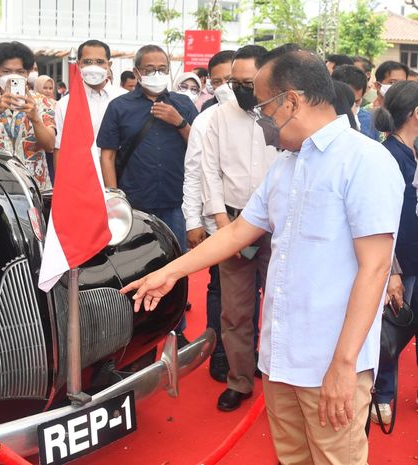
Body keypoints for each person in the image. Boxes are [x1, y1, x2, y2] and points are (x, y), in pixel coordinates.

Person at [123, 48, 403, 465]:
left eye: (263, 105)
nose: (260, 117)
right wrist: (170, 271)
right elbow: (239, 230)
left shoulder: (366, 162)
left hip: (330, 359)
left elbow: (375, 268)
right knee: (291, 458)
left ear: (291, 100)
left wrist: (344, 366)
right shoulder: (287, 165)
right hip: (280, 357)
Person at [97, 44, 198, 346]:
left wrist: (178, 121)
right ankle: (136, 329)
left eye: (162, 68)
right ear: (138, 71)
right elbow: (107, 155)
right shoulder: (120, 107)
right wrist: (115, 197)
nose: (157, 74)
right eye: (150, 69)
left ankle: (175, 329)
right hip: (134, 203)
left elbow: (201, 146)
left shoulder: (183, 103)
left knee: (176, 266)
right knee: (135, 265)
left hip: (175, 200)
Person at [200, 44, 278, 411]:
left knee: (281, 306)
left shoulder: (282, 113)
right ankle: (240, 380)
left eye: (247, 83)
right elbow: (209, 172)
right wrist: (221, 224)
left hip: (279, 228)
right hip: (233, 222)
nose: (238, 90)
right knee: (234, 311)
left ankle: (281, 381)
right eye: (234, 82)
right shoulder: (218, 116)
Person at [182, 50, 236, 382]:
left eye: (231, 80)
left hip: (260, 222)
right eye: (217, 81)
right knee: (219, 287)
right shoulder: (205, 120)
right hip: (217, 221)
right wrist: (192, 221)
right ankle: (219, 351)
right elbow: (193, 174)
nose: (225, 87)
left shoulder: (268, 118)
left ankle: (250, 350)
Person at [371, 80, 418, 425]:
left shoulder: (409, 149)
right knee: (393, 328)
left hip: (413, 255)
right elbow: (384, 221)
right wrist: (393, 271)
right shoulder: (389, 156)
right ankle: (382, 394)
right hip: (401, 260)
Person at [0, 41, 56, 191]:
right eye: (7, 72)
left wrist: (35, 118)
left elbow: (50, 145)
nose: (13, 76)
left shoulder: (44, 103)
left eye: (20, 72)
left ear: (29, 73)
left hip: (36, 187)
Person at [54, 39, 126, 185]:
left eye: (100, 62)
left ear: (109, 65)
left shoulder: (124, 99)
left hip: (122, 177)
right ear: (79, 64)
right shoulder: (65, 104)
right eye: (87, 62)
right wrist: (62, 185)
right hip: (80, 181)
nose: (94, 67)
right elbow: (60, 150)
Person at [331, 64, 380, 140]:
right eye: (347, 101)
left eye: (356, 101)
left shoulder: (370, 121)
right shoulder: (323, 121)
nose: (352, 108)